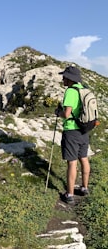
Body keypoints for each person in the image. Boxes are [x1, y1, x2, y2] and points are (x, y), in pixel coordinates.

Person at [57, 65, 91, 204]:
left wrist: (57, 113)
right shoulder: (84, 89)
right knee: (84, 158)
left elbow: (66, 114)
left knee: (72, 162)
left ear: (69, 78)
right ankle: (84, 188)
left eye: (64, 76)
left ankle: (69, 194)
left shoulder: (71, 91)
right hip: (84, 129)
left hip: (72, 130)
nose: (62, 78)